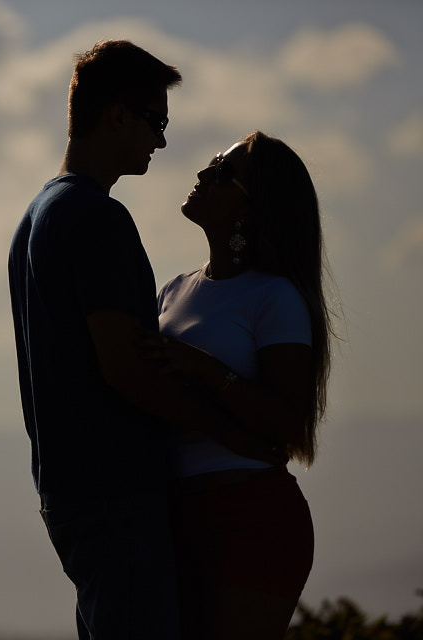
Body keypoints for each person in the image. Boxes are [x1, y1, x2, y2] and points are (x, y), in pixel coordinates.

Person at [8, 40, 276, 639]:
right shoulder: (97, 217)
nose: (161, 141)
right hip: (116, 491)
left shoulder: (38, 215)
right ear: (117, 116)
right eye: (156, 122)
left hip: (70, 490)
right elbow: (126, 367)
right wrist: (231, 431)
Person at [140, 131, 335, 639]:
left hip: (250, 518)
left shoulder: (274, 298)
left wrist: (206, 369)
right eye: (210, 164)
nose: (203, 175)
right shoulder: (173, 291)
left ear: (252, 208)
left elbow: (287, 423)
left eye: (223, 173)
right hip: (177, 516)